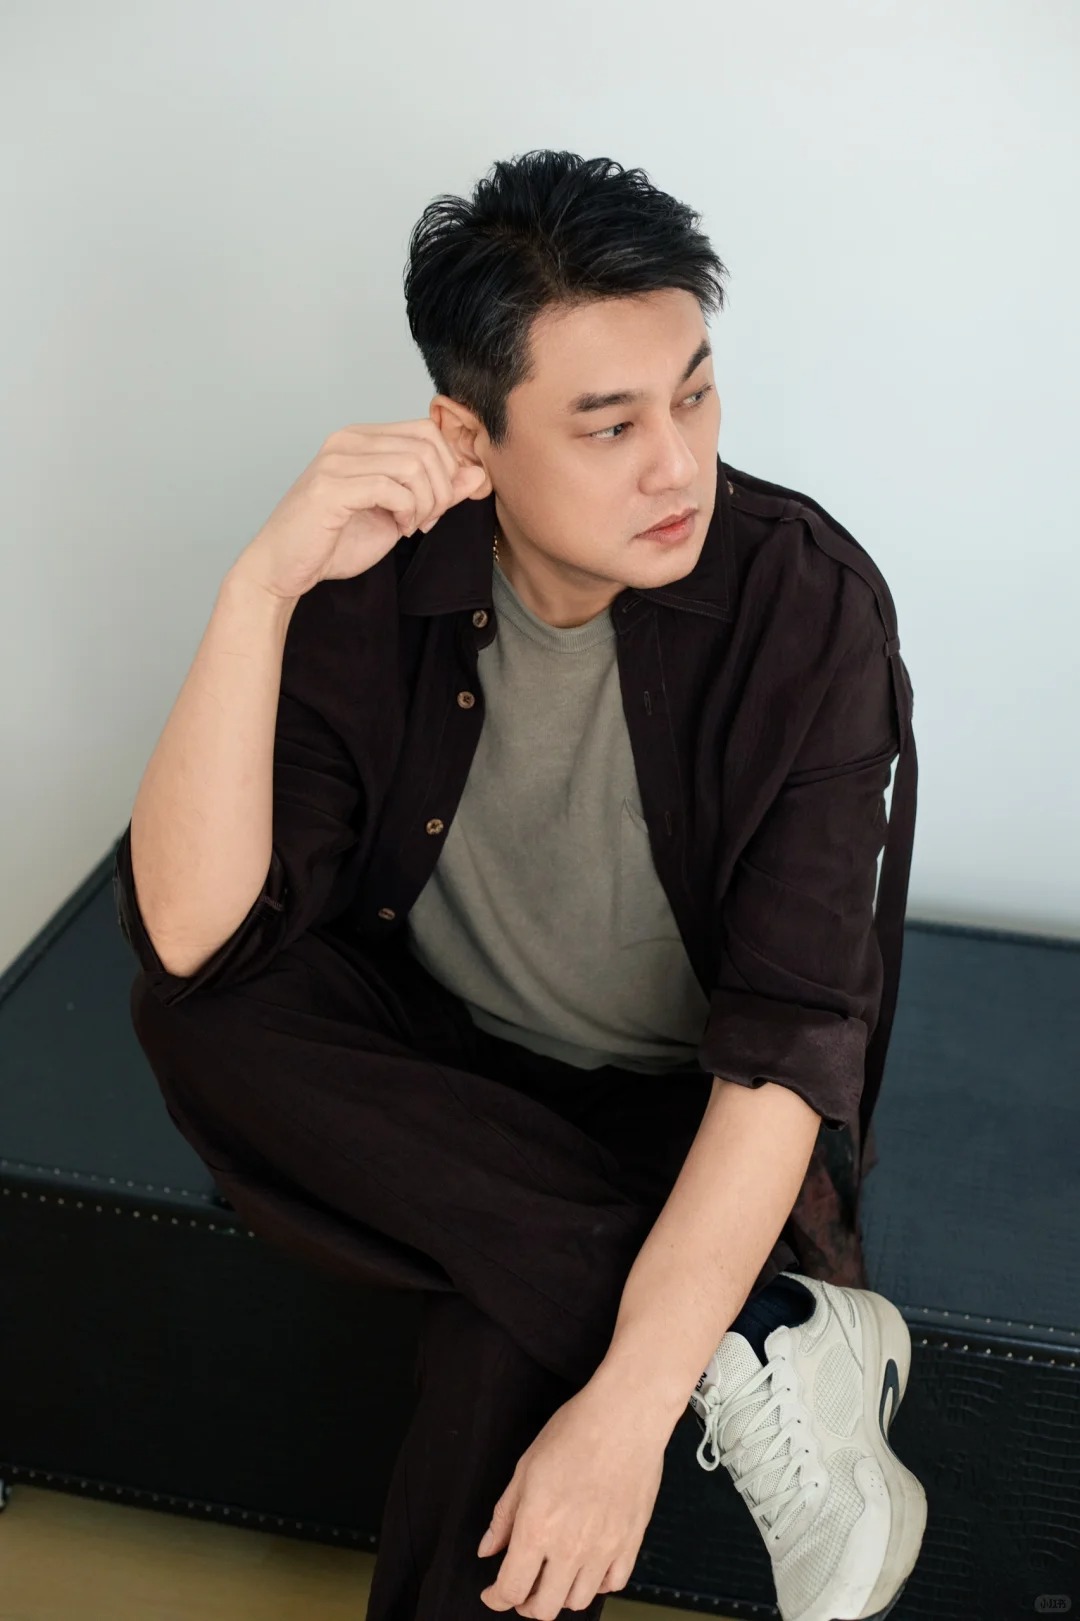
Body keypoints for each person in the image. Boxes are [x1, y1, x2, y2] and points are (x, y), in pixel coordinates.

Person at [114, 148, 925, 1621]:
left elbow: (789, 1045)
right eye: (609, 425)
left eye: (694, 395)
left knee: (505, 1348)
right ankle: (767, 1336)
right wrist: (261, 588)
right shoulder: (380, 572)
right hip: (440, 1073)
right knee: (199, 1010)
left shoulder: (803, 604)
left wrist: (629, 1403)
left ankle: (718, 1315)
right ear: (466, 435)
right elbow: (193, 935)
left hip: (676, 1106)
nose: (677, 464)